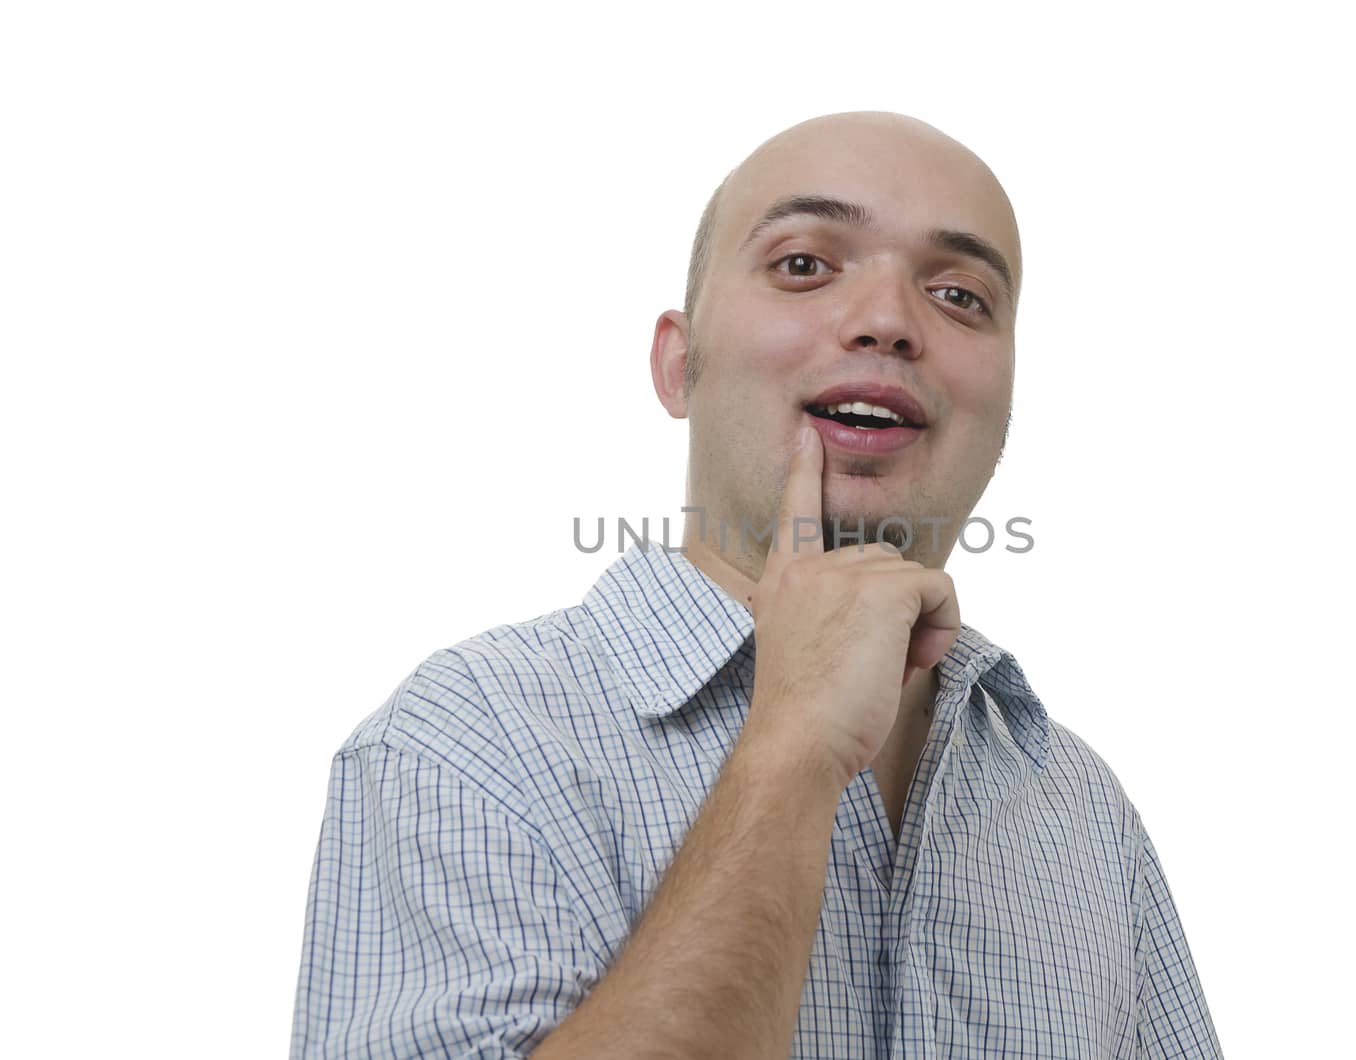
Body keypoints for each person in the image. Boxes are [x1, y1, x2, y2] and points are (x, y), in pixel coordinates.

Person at [291, 110, 1223, 1058]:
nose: (891, 322)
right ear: (677, 363)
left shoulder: (1081, 814)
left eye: (959, 294)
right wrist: (791, 748)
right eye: (805, 266)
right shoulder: (470, 740)